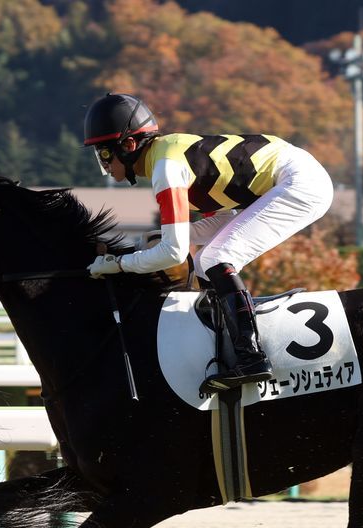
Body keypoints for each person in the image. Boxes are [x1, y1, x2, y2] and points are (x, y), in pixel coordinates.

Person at [83, 92, 334, 393]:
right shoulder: (168, 156)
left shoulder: (166, 168)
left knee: (215, 258)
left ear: (129, 146)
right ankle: (225, 350)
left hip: (298, 181)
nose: (104, 164)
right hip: (296, 176)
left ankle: (251, 357)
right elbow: (221, 222)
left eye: (104, 153)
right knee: (207, 262)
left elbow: (173, 253)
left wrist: (120, 264)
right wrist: (161, 237)